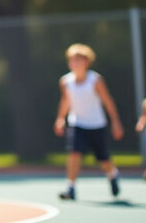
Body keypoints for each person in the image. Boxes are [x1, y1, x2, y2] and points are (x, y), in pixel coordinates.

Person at [53, 43, 124, 201]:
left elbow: (107, 101)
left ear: (86, 62)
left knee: (103, 159)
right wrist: (60, 118)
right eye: (72, 60)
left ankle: (113, 175)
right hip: (77, 124)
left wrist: (116, 122)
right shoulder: (65, 81)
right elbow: (66, 101)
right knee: (74, 153)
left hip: (97, 125)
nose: (75, 63)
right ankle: (70, 188)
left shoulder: (95, 80)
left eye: (79, 60)